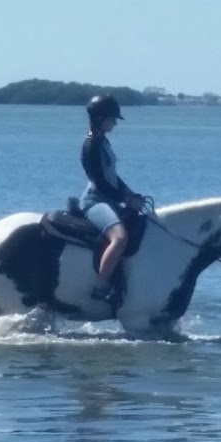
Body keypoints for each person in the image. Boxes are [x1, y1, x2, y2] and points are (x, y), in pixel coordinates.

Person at [79, 95, 145, 302]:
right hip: (95, 201)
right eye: (112, 119)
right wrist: (125, 198)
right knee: (120, 238)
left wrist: (130, 194)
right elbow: (100, 182)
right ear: (99, 118)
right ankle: (100, 286)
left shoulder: (103, 141)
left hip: (109, 198)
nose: (115, 123)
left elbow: (113, 177)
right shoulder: (91, 145)